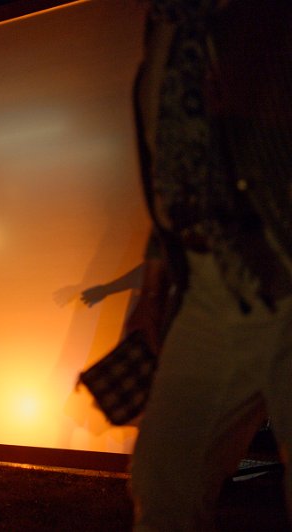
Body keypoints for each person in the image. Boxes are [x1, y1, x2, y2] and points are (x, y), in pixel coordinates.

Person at [128, 0, 292, 529]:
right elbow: (177, 171)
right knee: (164, 476)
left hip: (283, 258)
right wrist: (153, 290)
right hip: (212, 284)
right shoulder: (164, 22)